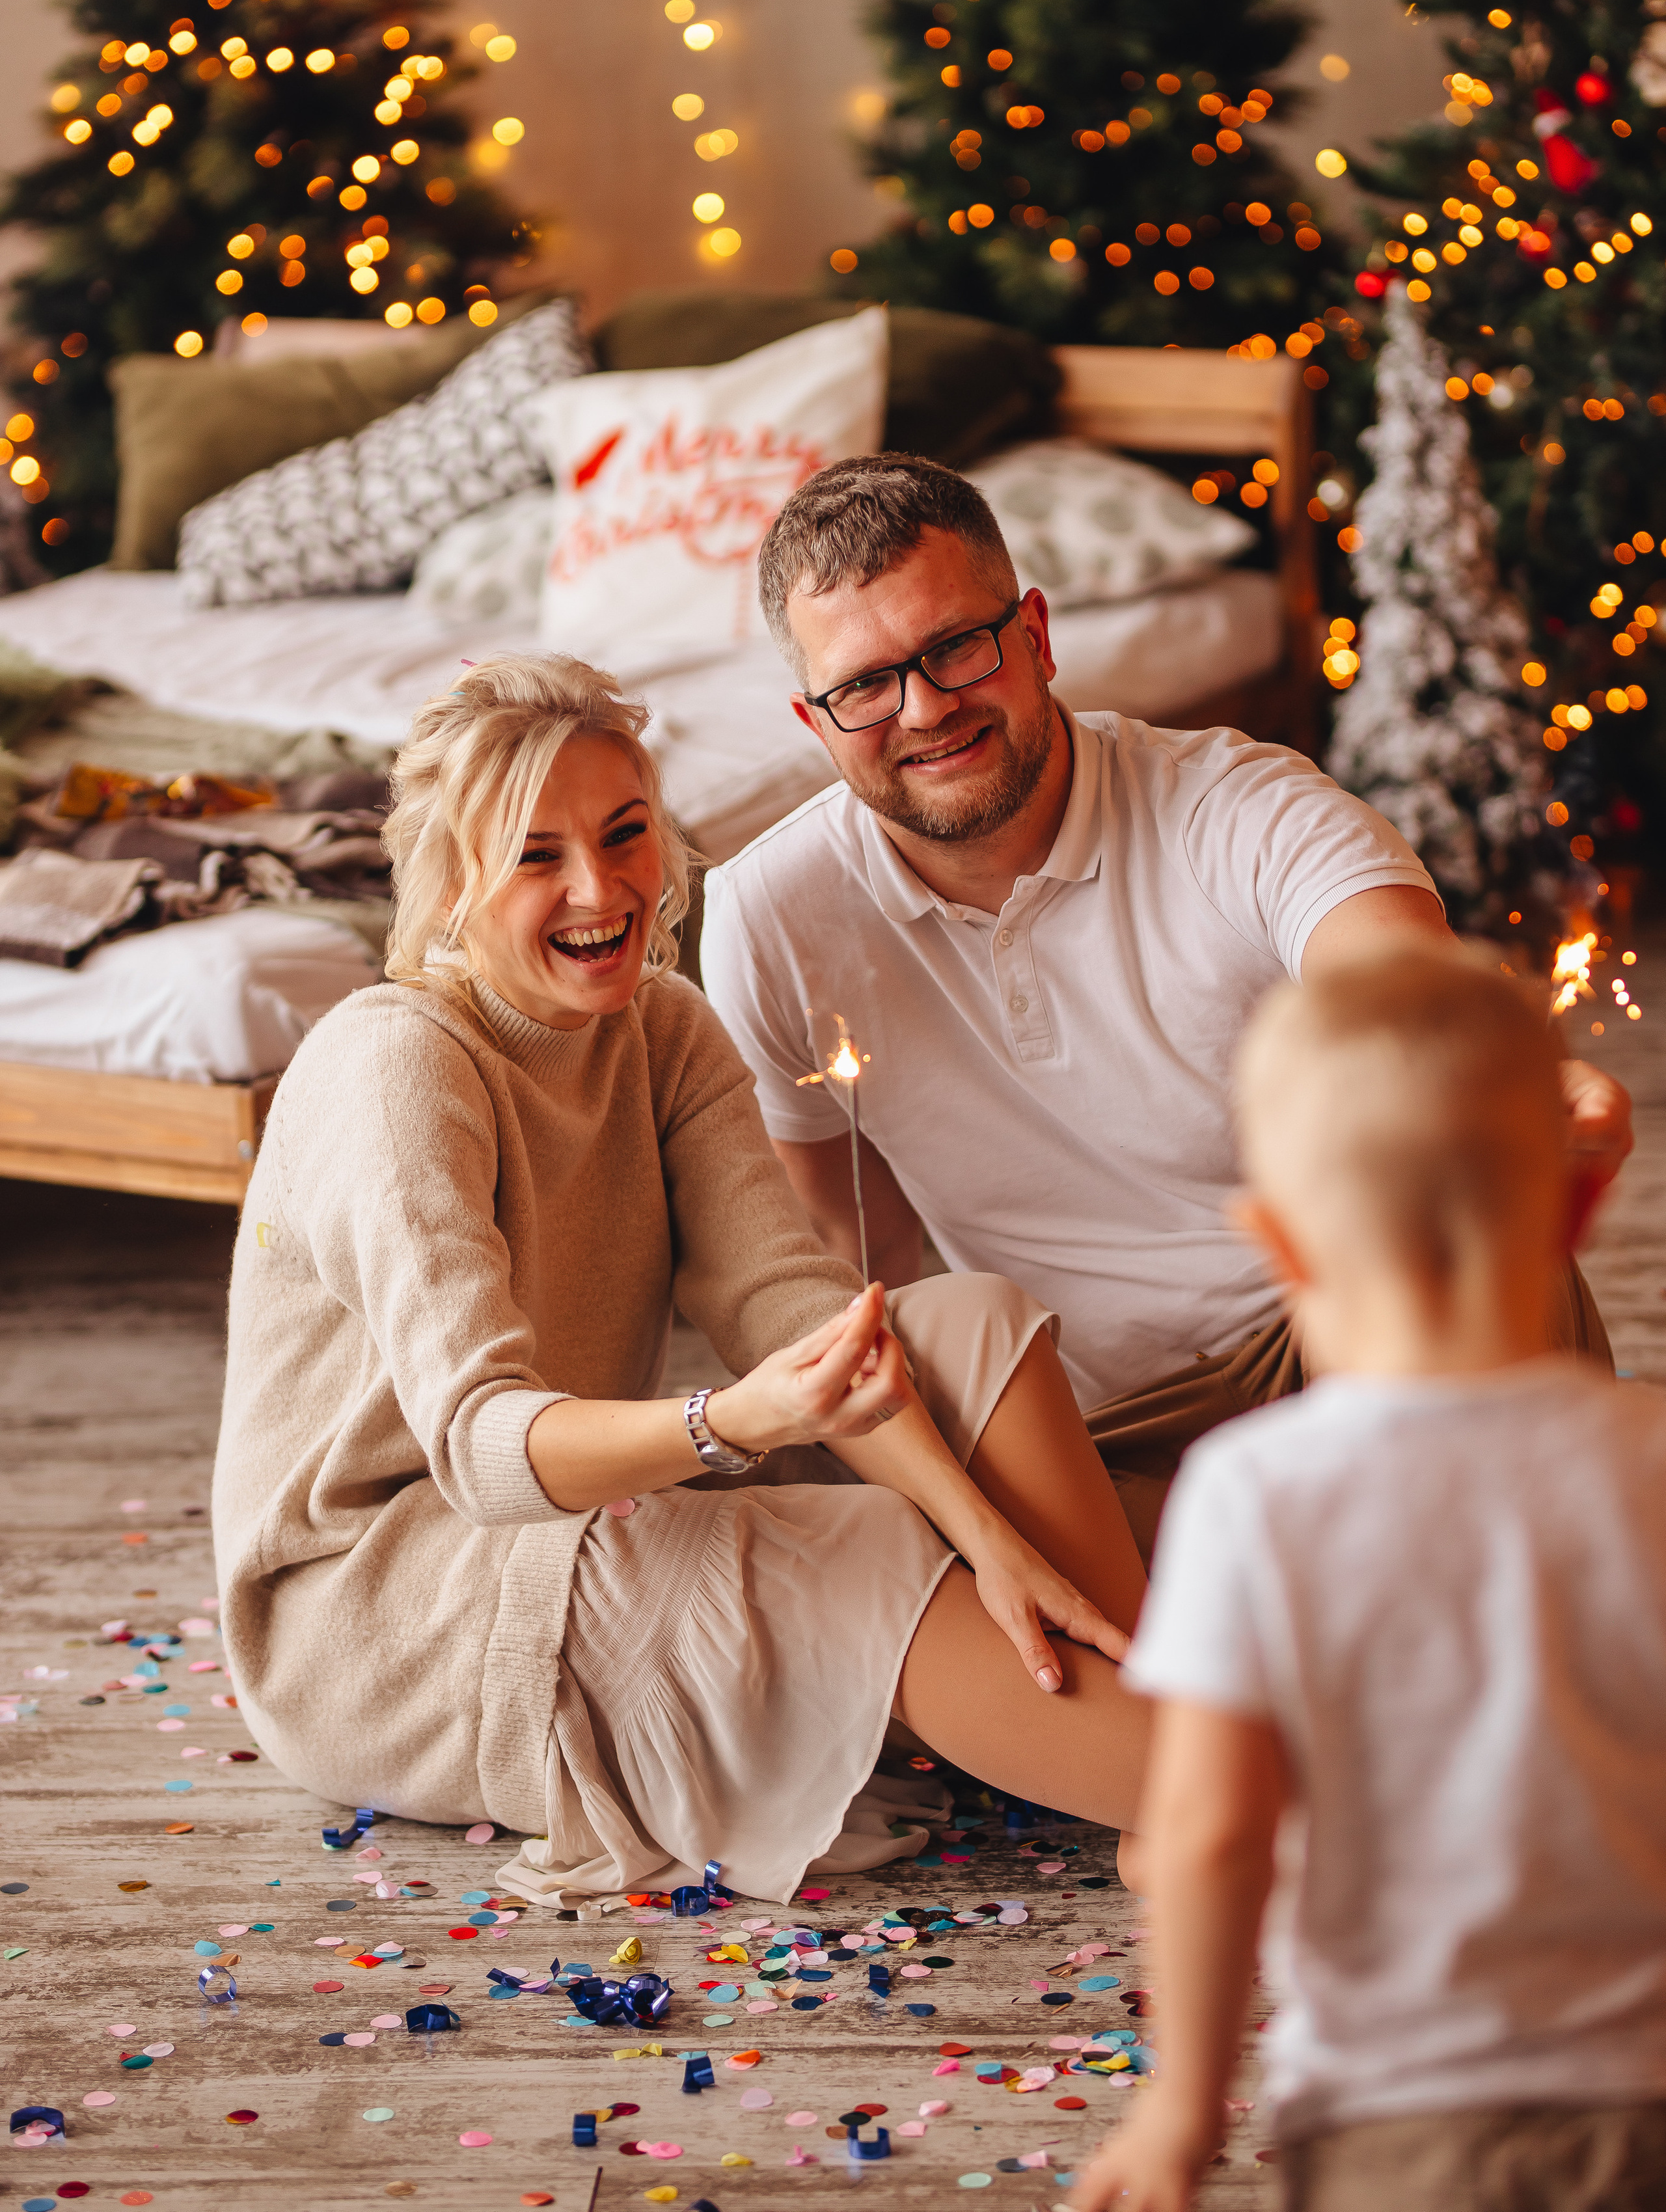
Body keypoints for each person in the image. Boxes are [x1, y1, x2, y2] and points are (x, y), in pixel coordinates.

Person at [211, 651, 1154, 1911]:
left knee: (962, 1326)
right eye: (535, 855)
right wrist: (733, 1425)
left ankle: (1145, 1722)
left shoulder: (660, 1028)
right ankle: (1220, 1798)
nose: (600, 890)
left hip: (582, 1503)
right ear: (451, 884)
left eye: (624, 833)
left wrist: (988, 1539)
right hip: (384, 1609)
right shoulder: (396, 1065)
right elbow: (484, 1452)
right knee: (866, 1544)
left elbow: (790, 1305)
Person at [700, 454, 1630, 1556]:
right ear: (816, 721)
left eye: (958, 646)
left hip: (1354, 1321)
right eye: (865, 684)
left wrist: (1492, 1083)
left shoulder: (1241, 808)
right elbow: (852, 1252)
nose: (926, 708)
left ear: (1036, 636)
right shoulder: (768, 914)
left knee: (1473, 1268)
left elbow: (1397, 1003)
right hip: (1097, 1434)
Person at [1069, 947, 1666, 2212]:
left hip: (1396, 2116)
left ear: (1278, 1240)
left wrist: (1179, 2111)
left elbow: (1209, 1831)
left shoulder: (1250, 1492)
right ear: (1575, 1215)